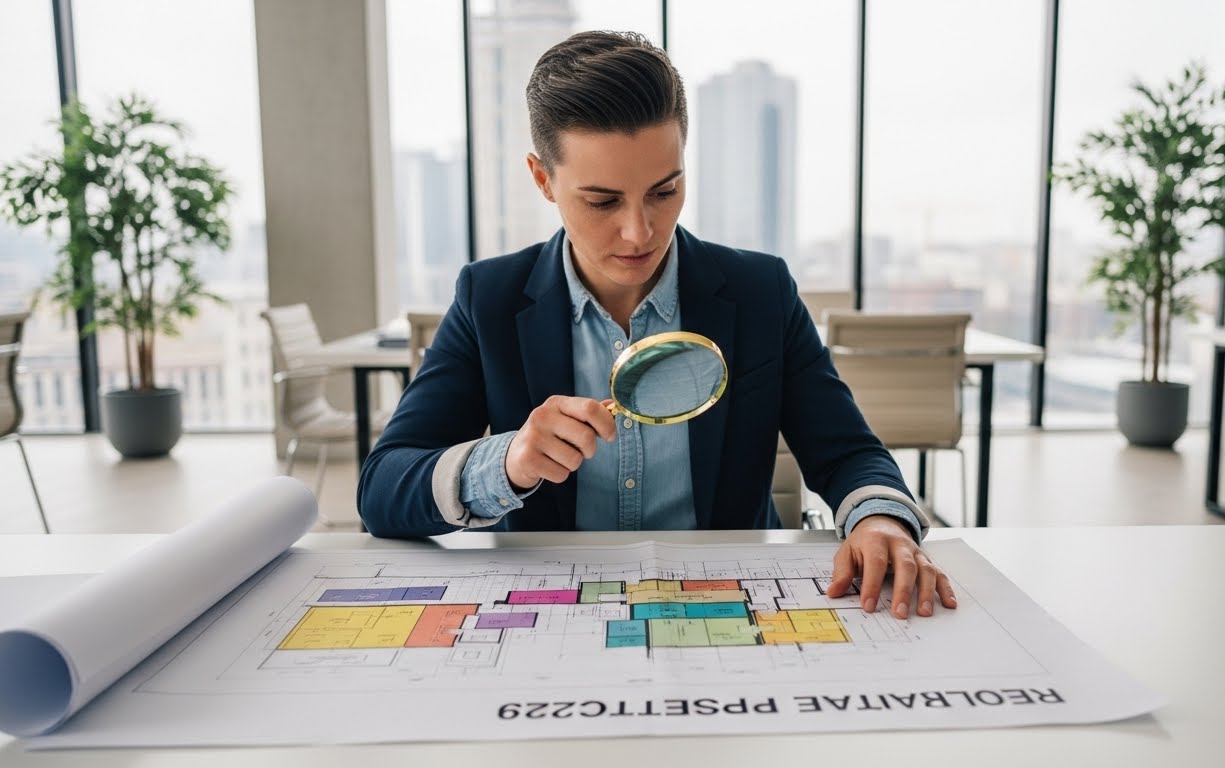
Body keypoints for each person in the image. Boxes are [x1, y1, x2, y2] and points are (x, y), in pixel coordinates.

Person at [359, 30, 956, 622]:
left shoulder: (760, 292)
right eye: (602, 201)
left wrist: (880, 520)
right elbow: (382, 491)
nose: (640, 232)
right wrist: (507, 462)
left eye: (664, 190)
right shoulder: (489, 298)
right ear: (543, 180)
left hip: (729, 604)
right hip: (557, 612)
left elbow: (847, 451)